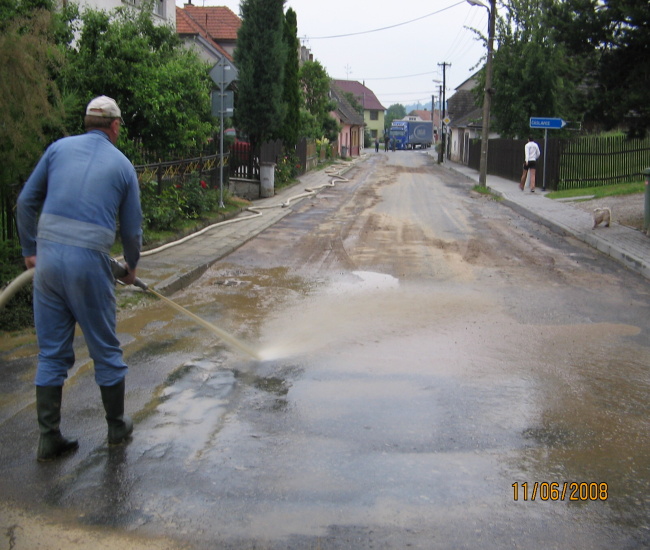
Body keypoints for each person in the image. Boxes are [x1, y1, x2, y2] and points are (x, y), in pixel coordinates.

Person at [17, 96, 143, 461]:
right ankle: (117, 427)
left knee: (52, 352)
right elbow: (132, 233)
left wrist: (30, 251)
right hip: (89, 264)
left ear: (86, 121)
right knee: (105, 348)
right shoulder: (122, 166)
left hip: (49, 263)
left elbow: (26, 202)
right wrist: (131, 268)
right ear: (115, 126)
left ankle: (49, 437)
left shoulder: (57, 150)